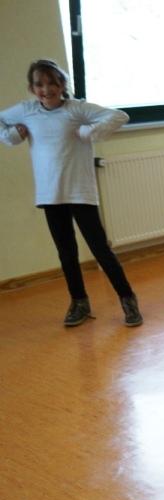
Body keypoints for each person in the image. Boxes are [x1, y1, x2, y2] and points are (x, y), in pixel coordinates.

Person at [0, 59, 141, 327]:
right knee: (66, 253)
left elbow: (119, 116)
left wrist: (89, 131)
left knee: (100, 249)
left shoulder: (76, 109)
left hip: (80, 192)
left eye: (52, 83)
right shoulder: (27, 111)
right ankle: (79, 302)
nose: (46, 89)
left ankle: (127, 298)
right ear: (32, 88)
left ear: (62, 85)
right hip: (50, 194)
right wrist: (13, 135)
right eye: (39, 84)